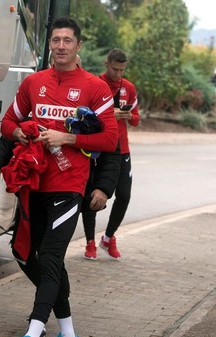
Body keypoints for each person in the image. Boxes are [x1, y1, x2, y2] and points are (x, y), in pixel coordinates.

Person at [0, 16, 119, 337]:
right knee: (27, 255)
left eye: (68, 40)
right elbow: (8, 123)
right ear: (49, 44)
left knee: (50, 257)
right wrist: (20, 134)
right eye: (56, 40)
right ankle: (68, 336)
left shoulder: (96, 88)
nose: (61, 46)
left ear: (78, 46)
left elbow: (109, 139)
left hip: (69, 186)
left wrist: (67, 138)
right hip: (34, 185)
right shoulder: (34, 83)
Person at [83, 48, 140, 260]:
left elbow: (136, 119)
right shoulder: (95, 84)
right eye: (115, 69)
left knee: (124, 196)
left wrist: (126, 115)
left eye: (122, 70)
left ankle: (108, 237)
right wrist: (108, 115)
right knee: (92, 196)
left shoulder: (129, 88)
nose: (118, 74)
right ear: (106, 64)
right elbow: (85, 116)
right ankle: (90, 242)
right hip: (99, 149)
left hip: (122, 149)